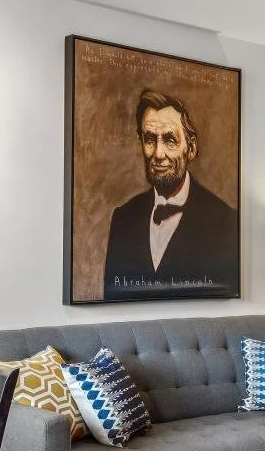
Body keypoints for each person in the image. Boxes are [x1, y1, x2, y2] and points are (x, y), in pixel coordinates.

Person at [101, 89, 239, 300]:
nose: (158, 154)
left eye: (170, 141)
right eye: (150, 140)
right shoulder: (123, 218)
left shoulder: (226, 222)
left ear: (191, 148)